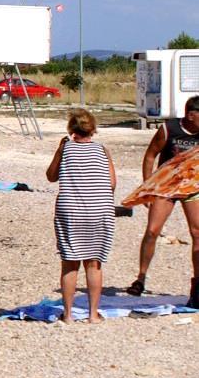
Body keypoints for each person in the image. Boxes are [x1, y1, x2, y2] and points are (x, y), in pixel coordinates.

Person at [47, 109, 116, 322]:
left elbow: (51, 176)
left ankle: (68, 315)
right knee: (94, 263)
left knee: (70, 263)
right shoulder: (102, 150)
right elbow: (112, 183)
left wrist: (60, 150)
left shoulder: (65, 149)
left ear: (71, 129)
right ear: (93, 129)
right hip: (99, 211)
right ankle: (93, 314)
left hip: (71, 211)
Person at [129, 95, 199, 300]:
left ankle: (197, 283)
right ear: (191, 115)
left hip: (191, 186)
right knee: (153, 230)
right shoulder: (169, 129)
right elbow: (150, 155)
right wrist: (147, 187)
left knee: (197, 232)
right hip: (165, 186)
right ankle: (141, 278)